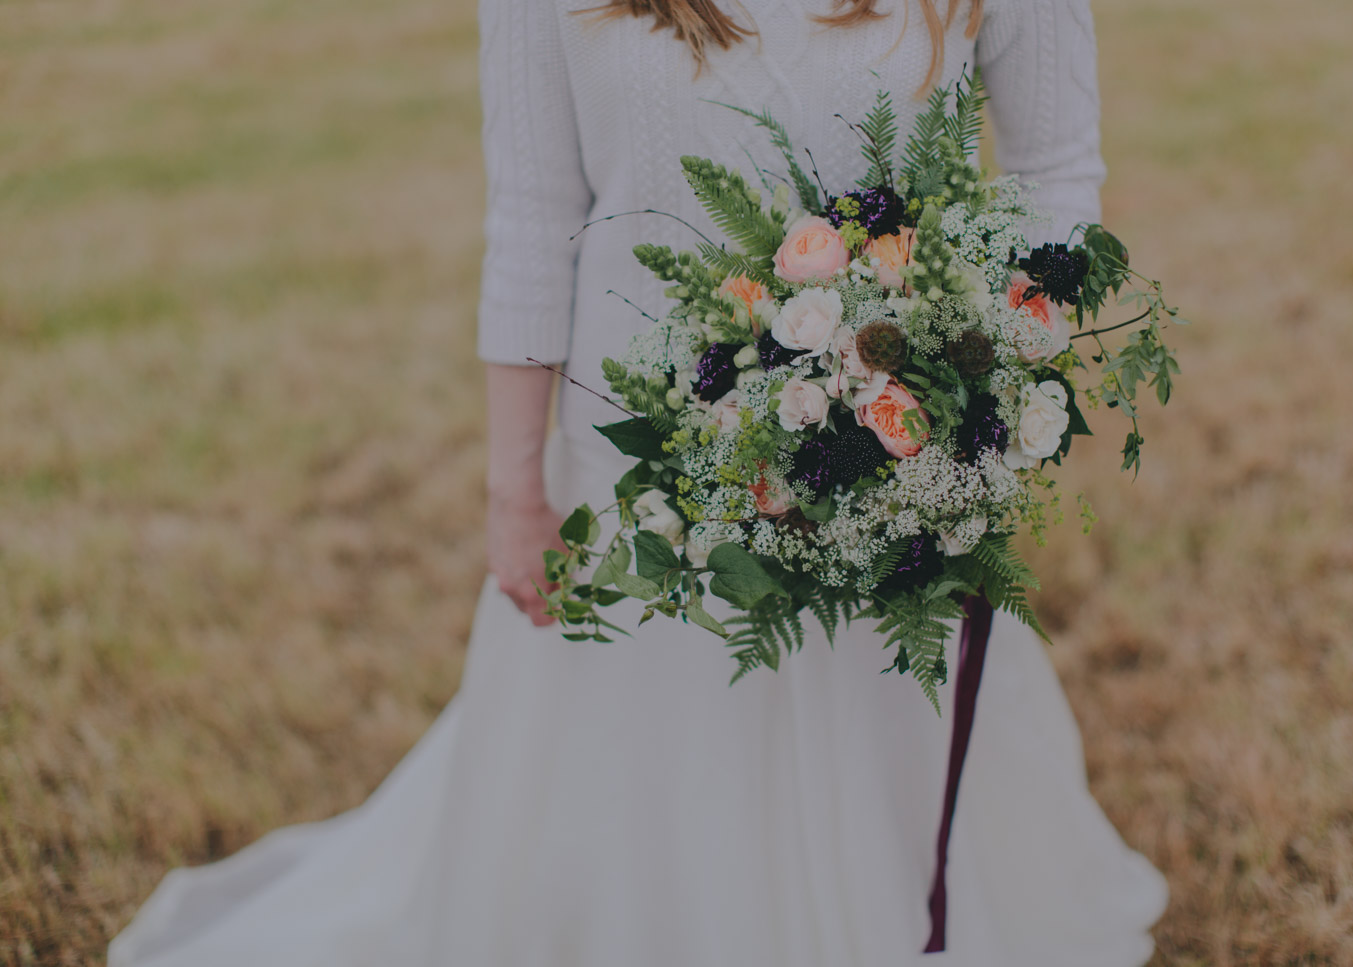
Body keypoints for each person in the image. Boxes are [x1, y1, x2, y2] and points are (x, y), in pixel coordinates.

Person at [110, 1, 1169, 964]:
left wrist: (979, 376)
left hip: (897, 481)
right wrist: (514, 488)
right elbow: (532, 217)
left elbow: (1056, 172)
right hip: (635, 482)